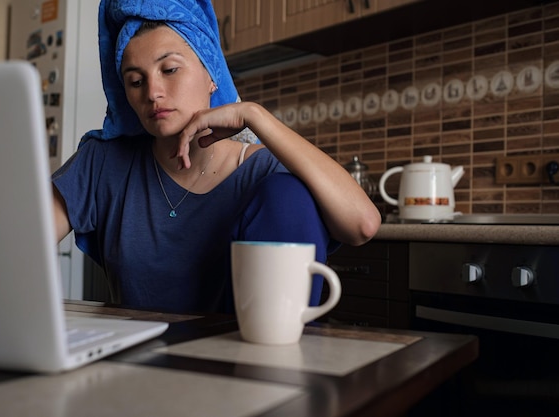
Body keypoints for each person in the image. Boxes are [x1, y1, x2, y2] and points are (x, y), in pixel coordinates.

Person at [51, 0, 381, 314]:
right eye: (136, 81)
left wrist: (254, 115)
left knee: (288, 193)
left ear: (211, 75)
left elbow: (362, 224)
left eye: (170, 69)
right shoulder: (102, 163)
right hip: (137, 363)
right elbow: (19, 241)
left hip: (238, 363)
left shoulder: (264, 171)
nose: (152, 93)